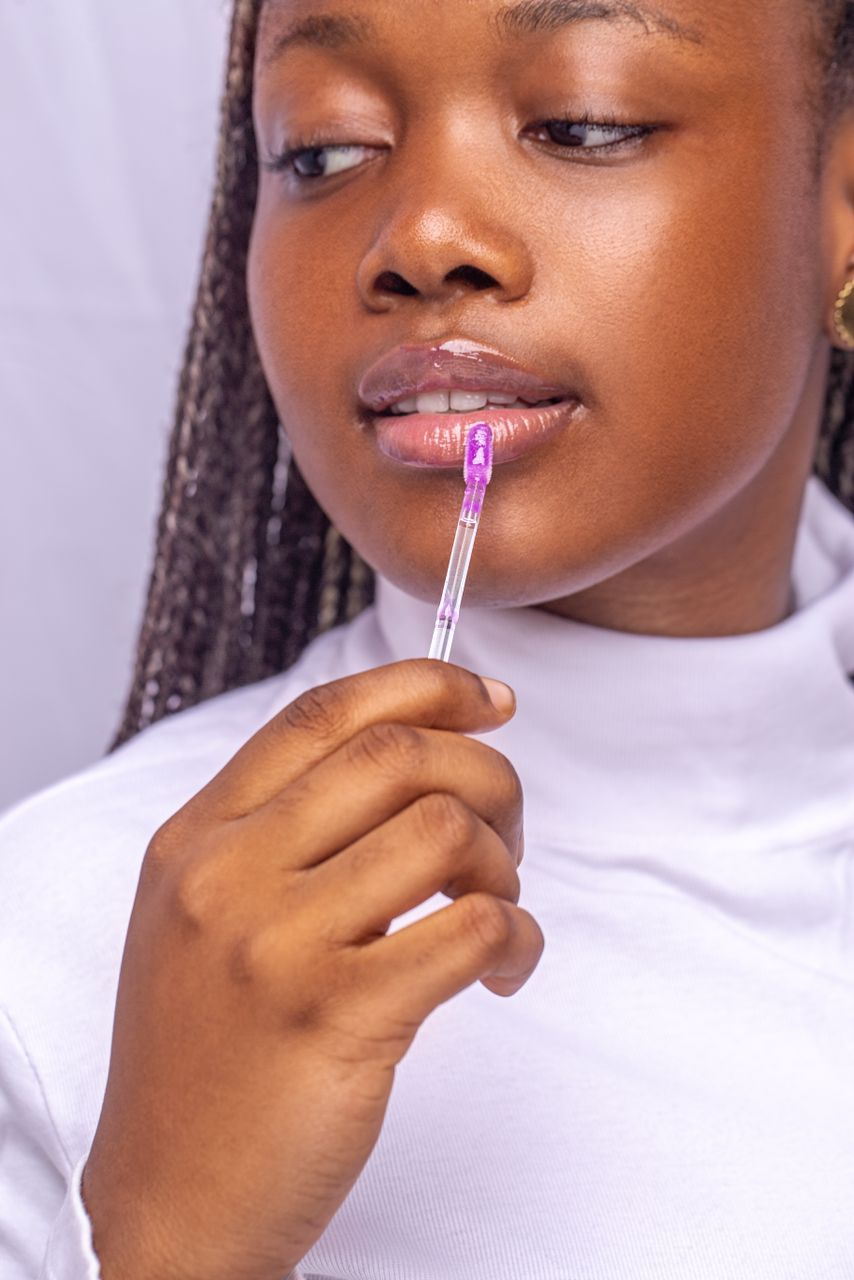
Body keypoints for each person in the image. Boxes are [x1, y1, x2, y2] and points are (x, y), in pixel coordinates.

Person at [2, 0, 854, 1275]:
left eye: (582, 122)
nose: (421, 239)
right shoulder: (55, 949)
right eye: (322, 151)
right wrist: (163, 1230)